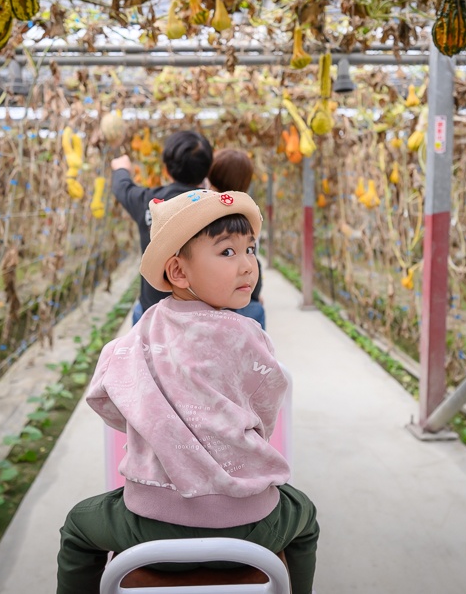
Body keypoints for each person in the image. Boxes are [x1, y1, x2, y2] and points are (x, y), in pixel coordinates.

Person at [56, 190, 319, 594]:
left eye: (250, 249)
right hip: (250, 529)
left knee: (78, 526)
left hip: (149, 530)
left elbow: (103, 395)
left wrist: (150, 425)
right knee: (305, 516)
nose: (249, 264)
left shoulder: (139, 334)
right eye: (227, 253)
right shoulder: (249, 336)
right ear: (178, 272)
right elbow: (267, 408)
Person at [111, 130, 214, 324]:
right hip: (200, 315)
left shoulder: (148, 202)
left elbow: (122, 187)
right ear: (208, 170)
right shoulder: (215, 207)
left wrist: (121, 168)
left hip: (152, 315)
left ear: (166, 170)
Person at [207, 149, 266, 329]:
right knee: (256, 311)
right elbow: (250, 262)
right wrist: (254, 296)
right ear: (245, 182)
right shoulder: (244, 214)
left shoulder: (202, 207)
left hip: (210, 297)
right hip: (233, 301)